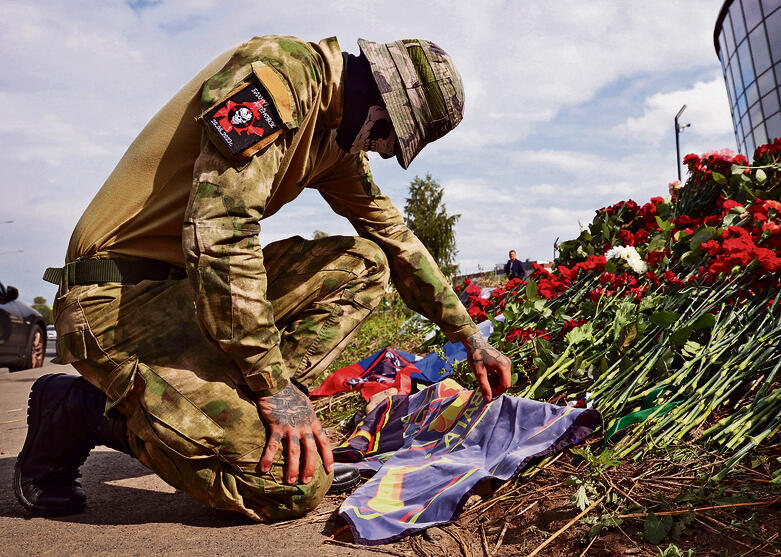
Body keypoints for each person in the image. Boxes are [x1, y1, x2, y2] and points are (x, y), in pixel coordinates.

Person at [17, 35, 512, 522]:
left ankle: (255, 416)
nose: (383, 153)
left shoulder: (335, 141)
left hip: (186, 294)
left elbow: (393, 238)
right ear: (380, 106)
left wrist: (468, 336)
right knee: (288, 486)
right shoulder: (278, 76)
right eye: (390, 141)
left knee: (363, 264)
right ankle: (83, 409)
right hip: (114, 302)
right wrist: (274, 387)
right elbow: (221, 233)